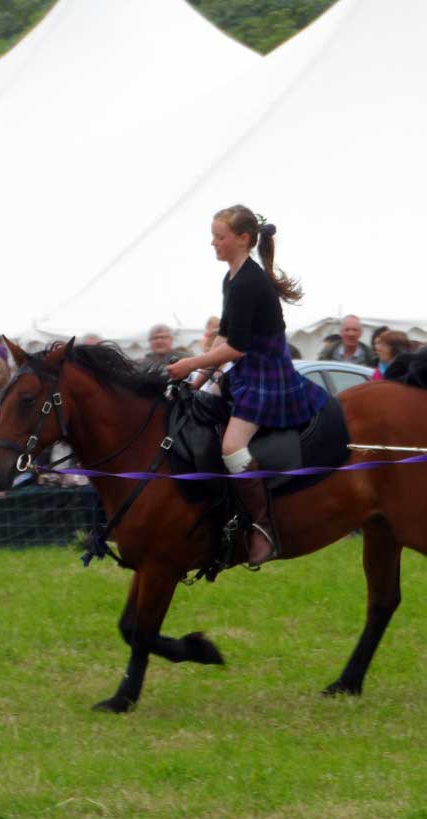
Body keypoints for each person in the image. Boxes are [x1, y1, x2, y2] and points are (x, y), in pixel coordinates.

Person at [166, 205, 328, 567]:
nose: (213, 243)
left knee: (232, 446)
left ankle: (263, 528)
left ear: (242, 239)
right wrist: (197, 382)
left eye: (219, 237)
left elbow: (236, 348)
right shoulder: (232, 278)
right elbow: (225, 335)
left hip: (268, 377)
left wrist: (191, 364)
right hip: (246, 371)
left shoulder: (249, 281)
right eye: (213, 236)